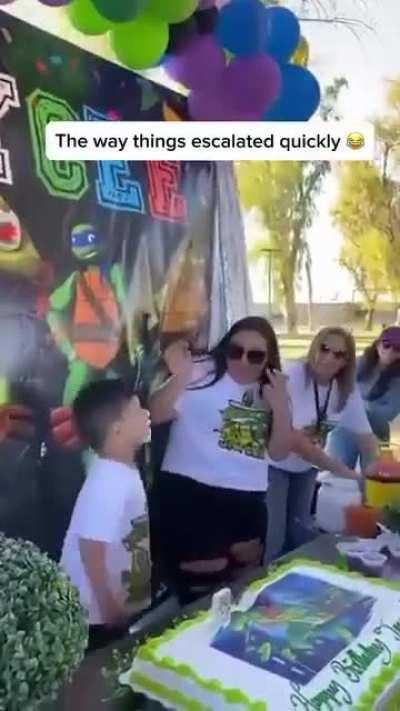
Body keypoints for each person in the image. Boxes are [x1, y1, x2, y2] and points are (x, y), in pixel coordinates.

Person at [150, 316, 292, 604]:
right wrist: (181, 376)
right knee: (200, 595)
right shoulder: (202, 371)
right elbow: (154, 414)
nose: (242, 361)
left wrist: (280, 407)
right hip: (191, 494)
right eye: (235, 351)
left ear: (268, 359)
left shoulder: (273, 387)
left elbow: (279, 452)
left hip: (247, 501)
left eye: (255, 356)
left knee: (241, 593)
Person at [266, 327, 379, 560]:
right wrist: (349, 474)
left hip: (306, 471)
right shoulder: (293, 376)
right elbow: (298, 444)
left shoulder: (344, 390)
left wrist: (372, 491)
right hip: (272, 465)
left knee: (299, 533)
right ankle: (261, 585)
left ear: (346, 362)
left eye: (339, 355)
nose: (328, 358)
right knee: (273, 537)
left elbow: (367, 440)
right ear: (314, 346)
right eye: (324, 348)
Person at [60, 379, 152, 652]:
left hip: (108, 613)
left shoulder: (120, 471)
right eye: (137, 410)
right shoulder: (109, 480)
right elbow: (91, 547)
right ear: (118, 429)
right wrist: (111, 610)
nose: (146, 414)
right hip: (95, 618)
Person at [327, 326, 400, 466]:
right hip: (346, 429)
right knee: (337, 474)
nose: (390, 351)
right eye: (386, 345)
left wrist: (356, 410)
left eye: (397, 349)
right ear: (378, 344)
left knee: (372, 478)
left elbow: (387, 414)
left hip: (378, 435)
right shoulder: (358, 364)